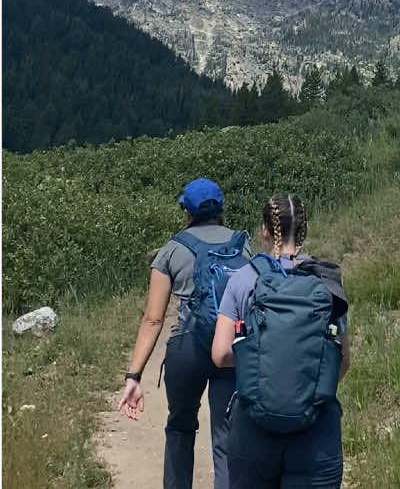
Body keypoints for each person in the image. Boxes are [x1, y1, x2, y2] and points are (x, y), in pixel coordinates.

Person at [118, 178, 251, 489]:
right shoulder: (241, 244)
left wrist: (133, 375)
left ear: (186, 212)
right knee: (227, 436)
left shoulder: (171, 250)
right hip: (230, 347)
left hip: (188, 346)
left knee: (180, 427)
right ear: (220, 210)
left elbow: (153, 320)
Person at [212, 193, 349, 489]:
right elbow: (342, 362)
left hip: (253, 426)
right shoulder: (327, 282)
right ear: (304, 231)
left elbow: (221, 354)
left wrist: (260, 356)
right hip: (316, 430)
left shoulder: (243, 279)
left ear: (264, 231)